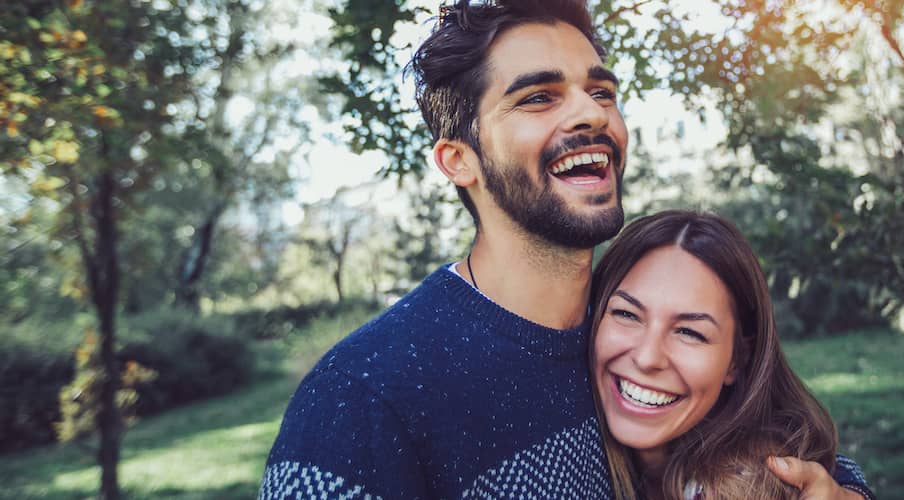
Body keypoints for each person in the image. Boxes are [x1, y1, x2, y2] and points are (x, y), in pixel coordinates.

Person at [261, 1, 871, 498]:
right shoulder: (363, 397)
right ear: (459, 159)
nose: (591, 113)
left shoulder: (629, 334)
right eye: (537, 97)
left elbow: (766, 431)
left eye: (601, 92)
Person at [589, 210, 875, 500]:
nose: (647, 357)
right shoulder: (565, 433)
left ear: (737, 360)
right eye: (626, 314)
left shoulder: (751, 486)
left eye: (690, 332)